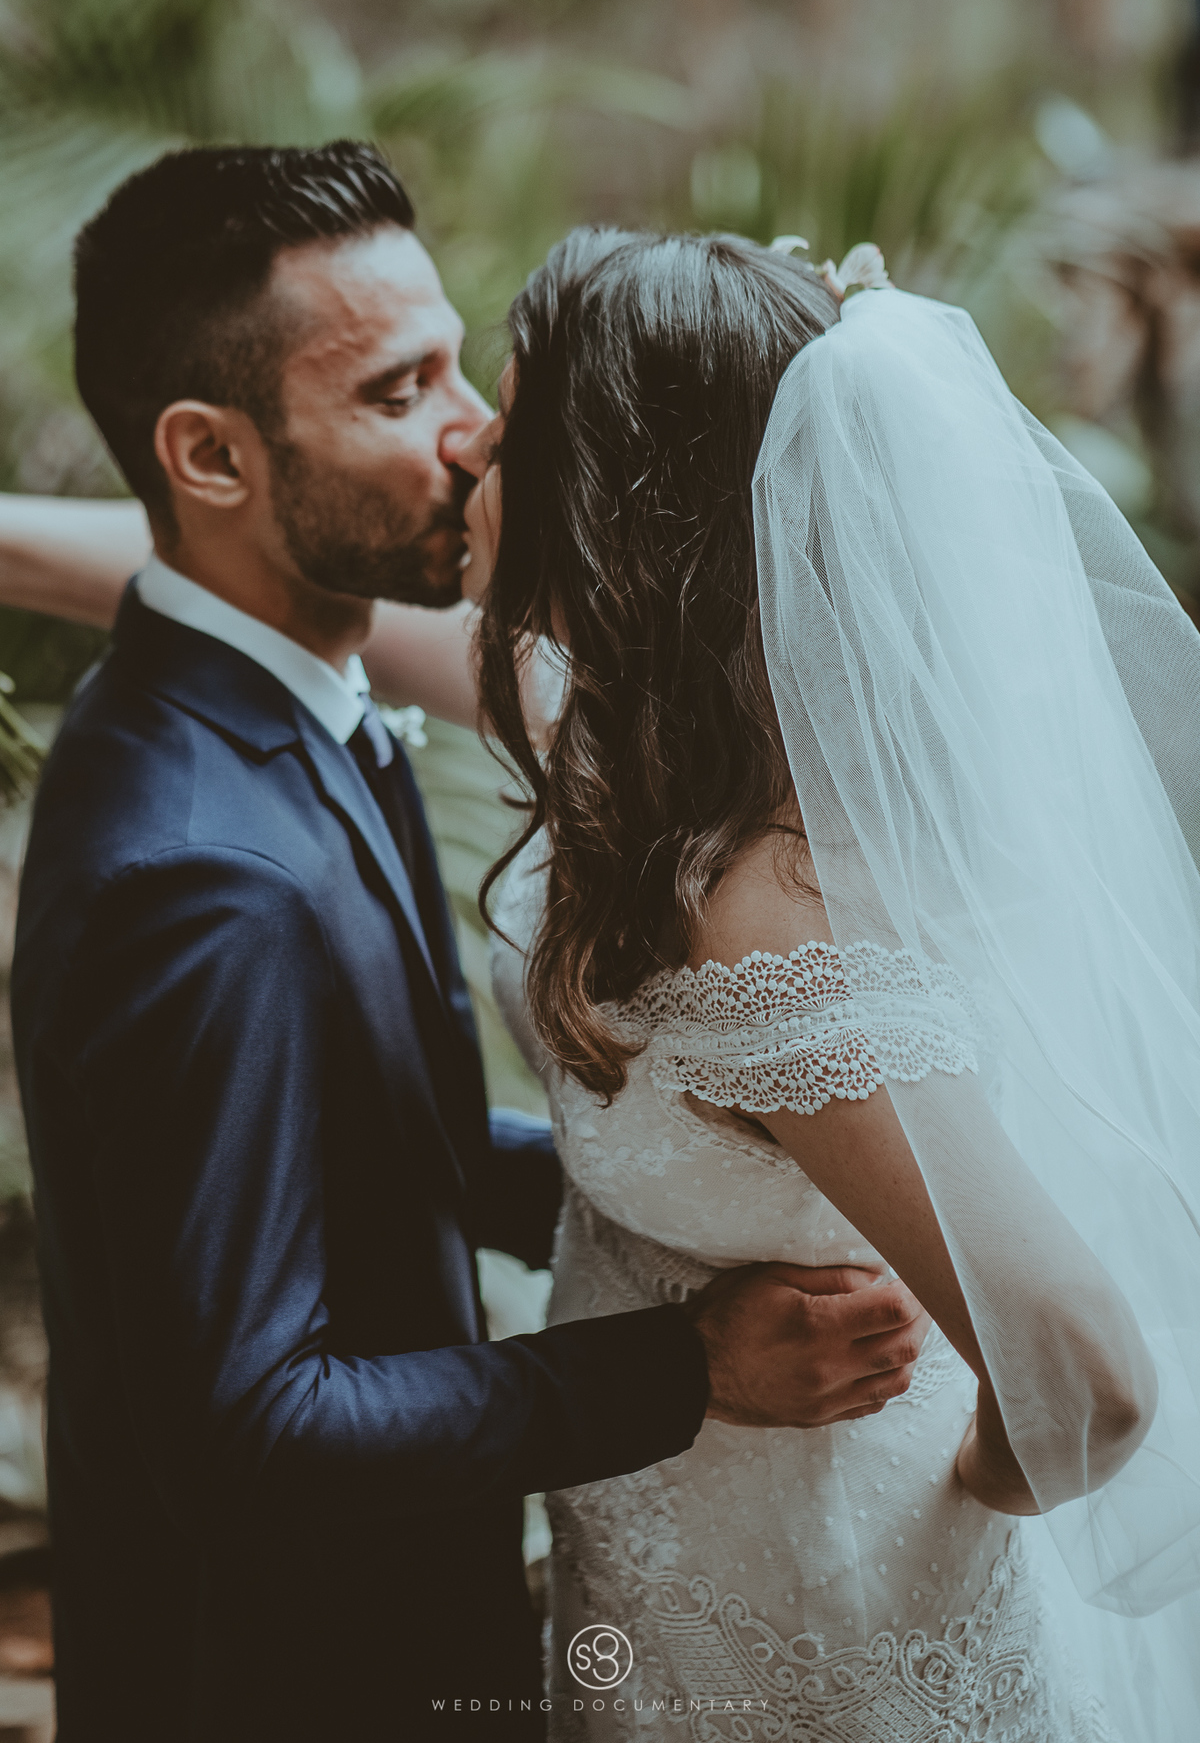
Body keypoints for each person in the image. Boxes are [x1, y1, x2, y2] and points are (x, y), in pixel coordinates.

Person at [3, 149, 932, 1741]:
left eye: (455, 361)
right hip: (294, 1680)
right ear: (209, 458)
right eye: (397, 388)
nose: (479, 431)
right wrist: (683, 1369)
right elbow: (246, 1429)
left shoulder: (277, 696)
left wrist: (665, 1173)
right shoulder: (205, 874)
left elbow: (367, 1142)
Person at [458, 229, 1200, 1740]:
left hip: (835, 1615)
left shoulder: (758, 918)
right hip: (662, 1559)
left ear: (607, 509)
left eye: (508, 420)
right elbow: (383, 641)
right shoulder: (627, 730)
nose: (468, 438)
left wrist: (964, 1489)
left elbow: (1091, 1369)